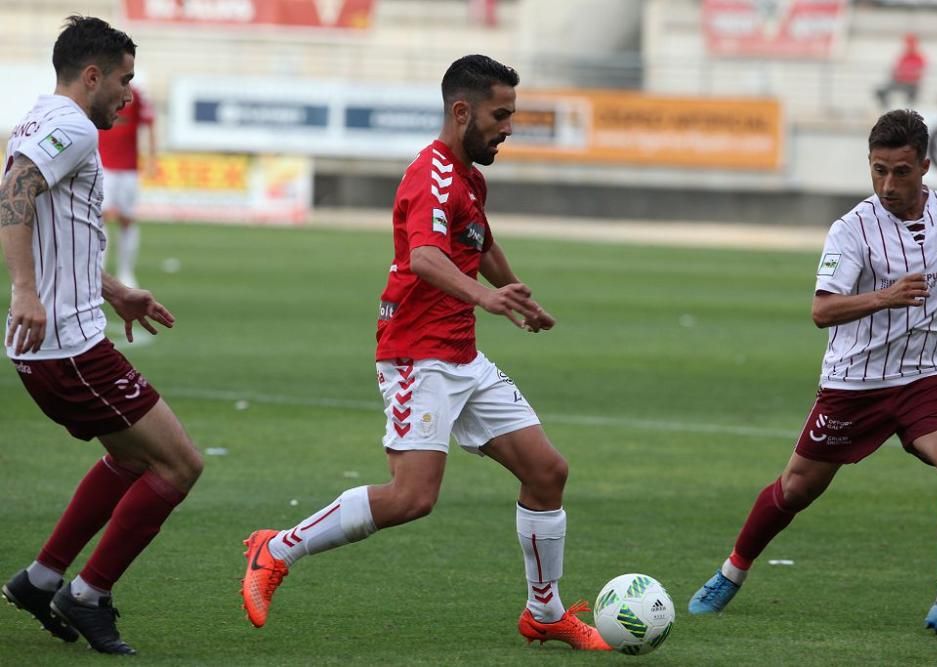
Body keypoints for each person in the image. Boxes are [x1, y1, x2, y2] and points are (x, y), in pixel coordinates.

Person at [240, 54, 609, 651]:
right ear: (462, 111)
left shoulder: (469, 178)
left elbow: (478, 241)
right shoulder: (430, 175)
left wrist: (518, 296)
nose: (508, 127)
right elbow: (425, 258)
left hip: (460, 355)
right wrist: (488, 299)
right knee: (412, 497)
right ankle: (275, 547)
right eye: (501, 114)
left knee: (547, 472)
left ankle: (544, 612)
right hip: (416, 356)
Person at [688, 109, 937, 642]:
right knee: (796, 489)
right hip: (855, 384)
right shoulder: (852, 228)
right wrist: (887, 296)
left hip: (926, 378)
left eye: (900, 171)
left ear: (925, 165)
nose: (887, 184)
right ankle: (731, 571)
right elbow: (822, 311)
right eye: (877, 170)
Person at [0, 16, 202, 655]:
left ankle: (40, 579)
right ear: (92, 75)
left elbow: (58, 221)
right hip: (70, 348)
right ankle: (87, 594)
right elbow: (13, 193)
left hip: (62, 341)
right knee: (179, 465)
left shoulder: (42, 116)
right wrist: (25, 290)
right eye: (124, 79)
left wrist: (116, 290)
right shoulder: (73, 126)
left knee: (130, 458)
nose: (128, 94)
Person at [98, 81, 156, 287]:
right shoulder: (100, 90)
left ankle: (126, 273)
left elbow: (149, 123)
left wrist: (151, 158)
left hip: (129, 168)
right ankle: (99, 271)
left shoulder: (136, 95)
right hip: (103, 166)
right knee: (100, 218)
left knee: (127, 219)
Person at [875, 33, 926, 108]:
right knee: (881, 90)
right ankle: (886, 107)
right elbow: (895, 70)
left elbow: (918, 73)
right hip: (899, 82)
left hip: (911, 84)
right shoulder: (903, 56)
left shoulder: (919, 58)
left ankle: (909, 108)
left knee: (912, 94)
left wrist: (907, 74)